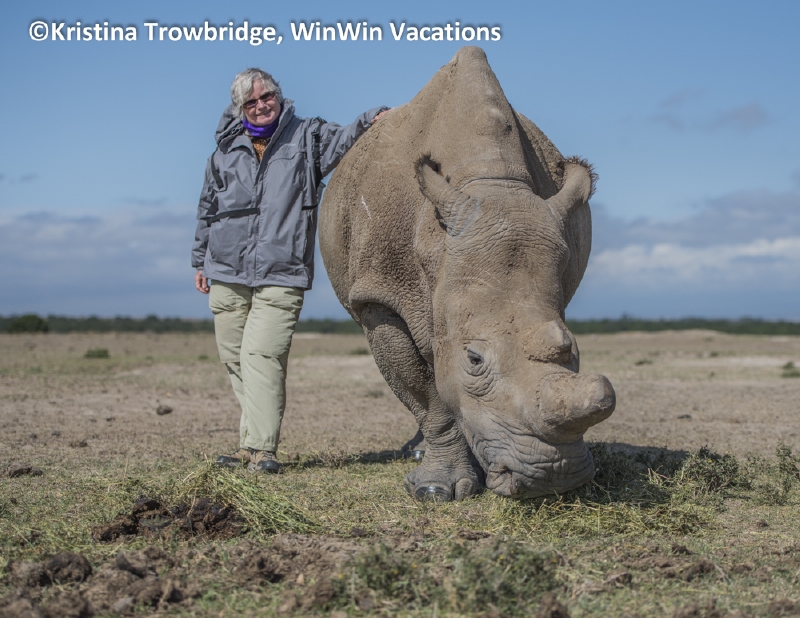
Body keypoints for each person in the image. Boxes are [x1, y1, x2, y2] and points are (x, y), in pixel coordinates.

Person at [192, 68, 388, 473]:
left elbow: (345, 138)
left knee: (262, 355)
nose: (261, 106)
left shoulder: (307, 136)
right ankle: (249, 446)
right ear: (239, 108)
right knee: (235, 360)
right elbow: (208, 208)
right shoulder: (224, 150)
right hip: (226, 269)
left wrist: (372, 117)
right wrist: (199, 259)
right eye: (251, 102)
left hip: (282, 271)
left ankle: (262, 449)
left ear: (279, 96)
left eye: (267, 96)